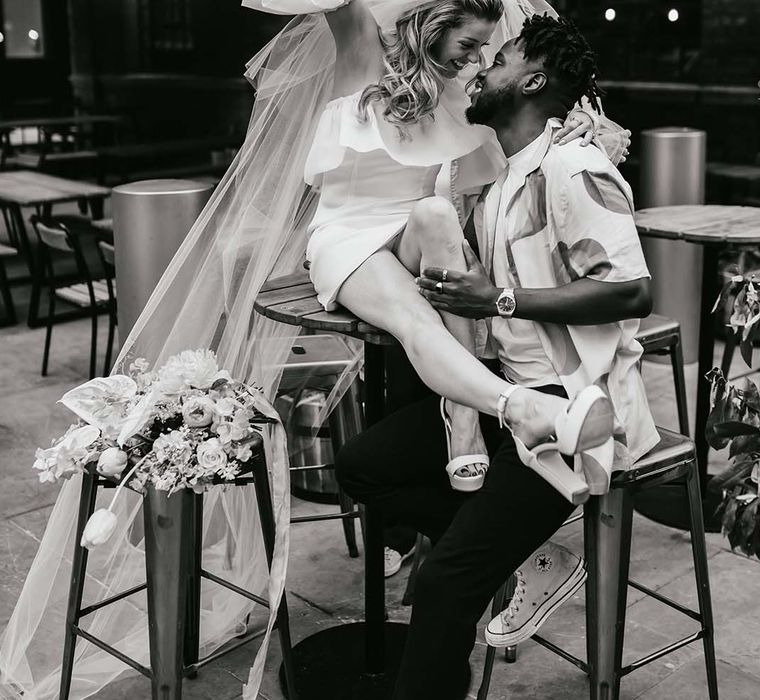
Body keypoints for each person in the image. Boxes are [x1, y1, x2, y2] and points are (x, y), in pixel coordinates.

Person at [0, 3, 626, 698]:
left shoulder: (468, 98)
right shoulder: (358, 41)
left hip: (413, 234)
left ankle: (473, 424)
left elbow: (496, 187)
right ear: (433, 21)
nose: (477, 58)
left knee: (439, 214)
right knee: (418, 327)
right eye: (471, 43)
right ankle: (501, 409)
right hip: (348, 238)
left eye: (490, 50)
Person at [335, 13, 659, 698]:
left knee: (448, 580)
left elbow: (632, 289)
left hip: (573, 414)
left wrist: (503, 300)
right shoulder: (504, 180)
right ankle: (533, 554)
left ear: (533, 79)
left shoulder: (573, 166)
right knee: (363, 465)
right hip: (507, 400)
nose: (482, 66)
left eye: (501, 55)